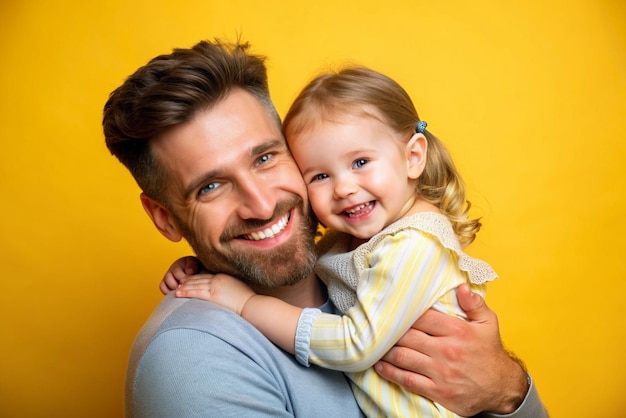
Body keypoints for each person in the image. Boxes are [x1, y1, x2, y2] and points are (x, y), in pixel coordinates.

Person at [102, 38, 547, 417]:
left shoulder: (361, 262)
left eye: (264, 158)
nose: (260, 205)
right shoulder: (193, 358)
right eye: (211, 186)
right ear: (165, 217)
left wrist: (506, 389)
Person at [171, 66, 497, 417]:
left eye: (360, 162)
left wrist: (244, 303)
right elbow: (311, 262)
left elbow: (355, 345)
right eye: (321, 175)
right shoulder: (359, 238)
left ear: (413, 157)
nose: (343, 188)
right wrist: (204, 265)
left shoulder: (415, 246)